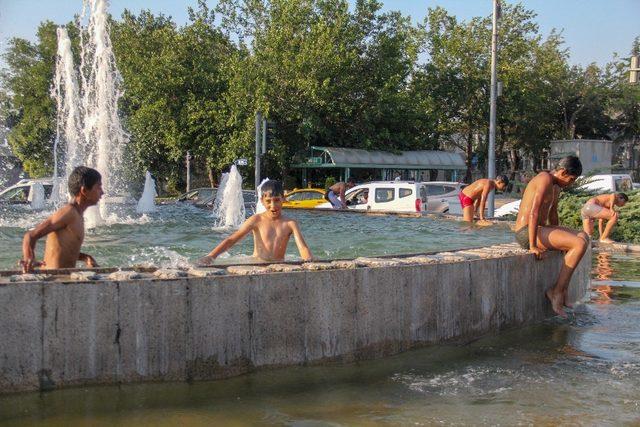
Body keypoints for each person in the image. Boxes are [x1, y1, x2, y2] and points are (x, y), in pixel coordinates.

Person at [514, 156, 589, 317]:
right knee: (579, 244)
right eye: (571, 179)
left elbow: (553, 215)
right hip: (526, 233)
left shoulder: (555, 186)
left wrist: (563, 241)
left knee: (583, 237)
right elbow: (534, 212)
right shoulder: (544, 179)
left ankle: (563, 290)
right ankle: (556, 292)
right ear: (562, 172)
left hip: (541, 229)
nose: (572, 183)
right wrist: (533, 245)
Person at [201, 180, 313, 263]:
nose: (273, 205)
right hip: (258, 264)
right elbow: (232, 239)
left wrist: (309, 261)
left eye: (277, 200)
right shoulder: (256, 220)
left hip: (279, 265)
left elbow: (302, 247)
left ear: (283, 199)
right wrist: (211, 256)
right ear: (262, 201)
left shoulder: (290, 223)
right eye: (268, 201)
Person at [20, 166, 103, 273]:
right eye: (99, 187)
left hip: (62, 278)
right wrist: (29, 258)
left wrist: (86, 258)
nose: (102, 192)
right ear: (84, 190)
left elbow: (65, 251)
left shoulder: (78, 214)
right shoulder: (68, 213)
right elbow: (30, 236)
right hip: (51, 280)